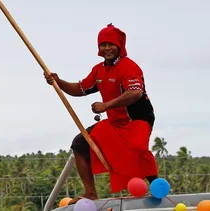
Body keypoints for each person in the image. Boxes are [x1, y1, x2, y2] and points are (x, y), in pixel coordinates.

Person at [45, 23, 158, 203]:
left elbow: (135, 93)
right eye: (103, 45)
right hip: (115, 122)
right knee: (80, 143)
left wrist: (106, 105)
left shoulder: (129, 67)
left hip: (137, 119)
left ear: (119, 46)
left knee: (137, 149)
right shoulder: (99, 70)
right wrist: (58, 82)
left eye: (110, 44)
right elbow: (80, 89)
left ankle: (157, 187)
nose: (107, 48)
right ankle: (90, 192)